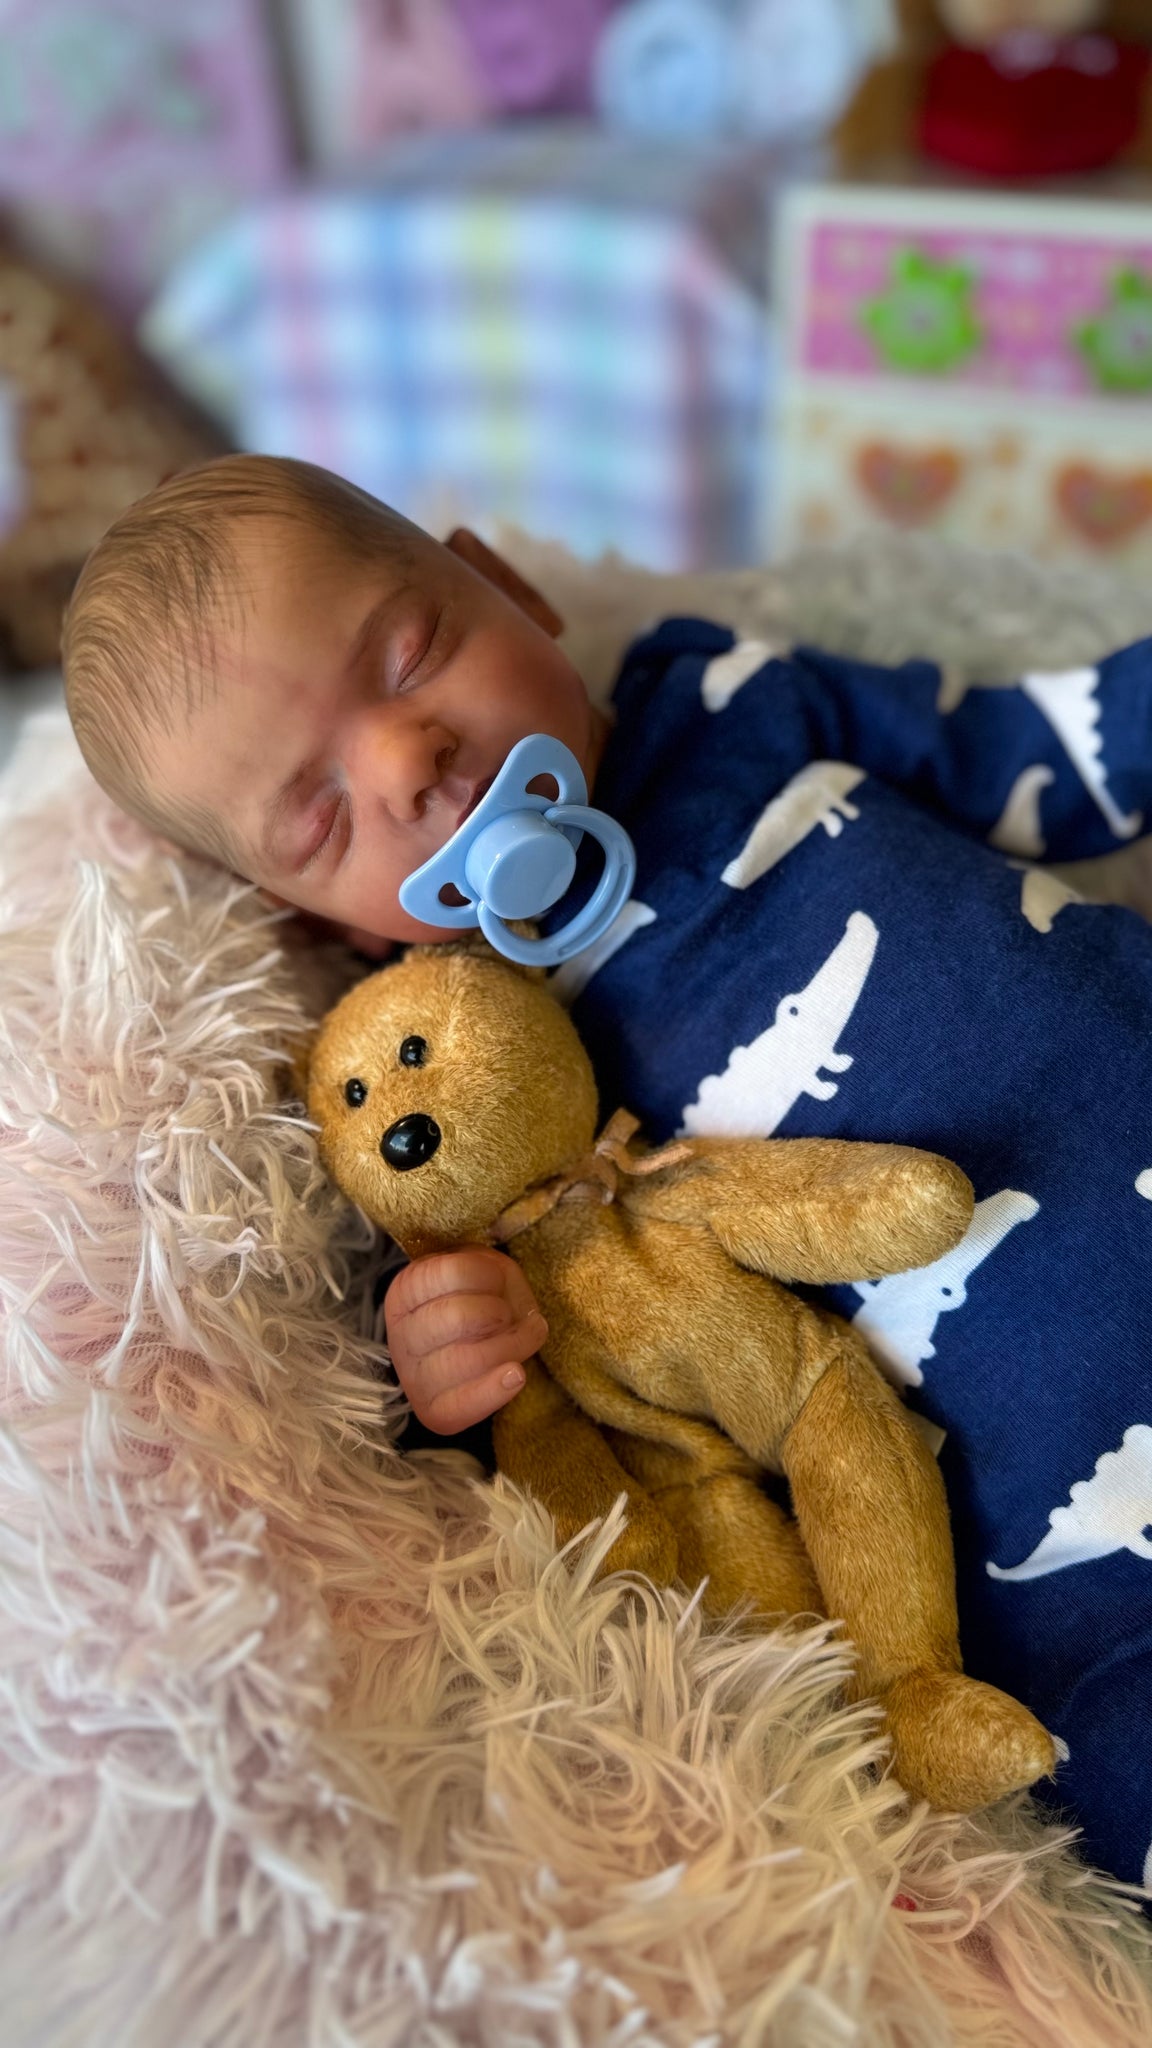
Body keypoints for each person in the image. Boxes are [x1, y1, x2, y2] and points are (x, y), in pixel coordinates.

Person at [62, 453, 1152, 1885]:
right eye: (323, 818)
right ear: (310, 911)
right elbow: (553, 1392)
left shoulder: (733, 706)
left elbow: (1030, 754)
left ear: (505, 585)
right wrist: (444, 1351)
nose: (404, 762)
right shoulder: (456, 1073)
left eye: (411, 651)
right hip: (1059, 1504)